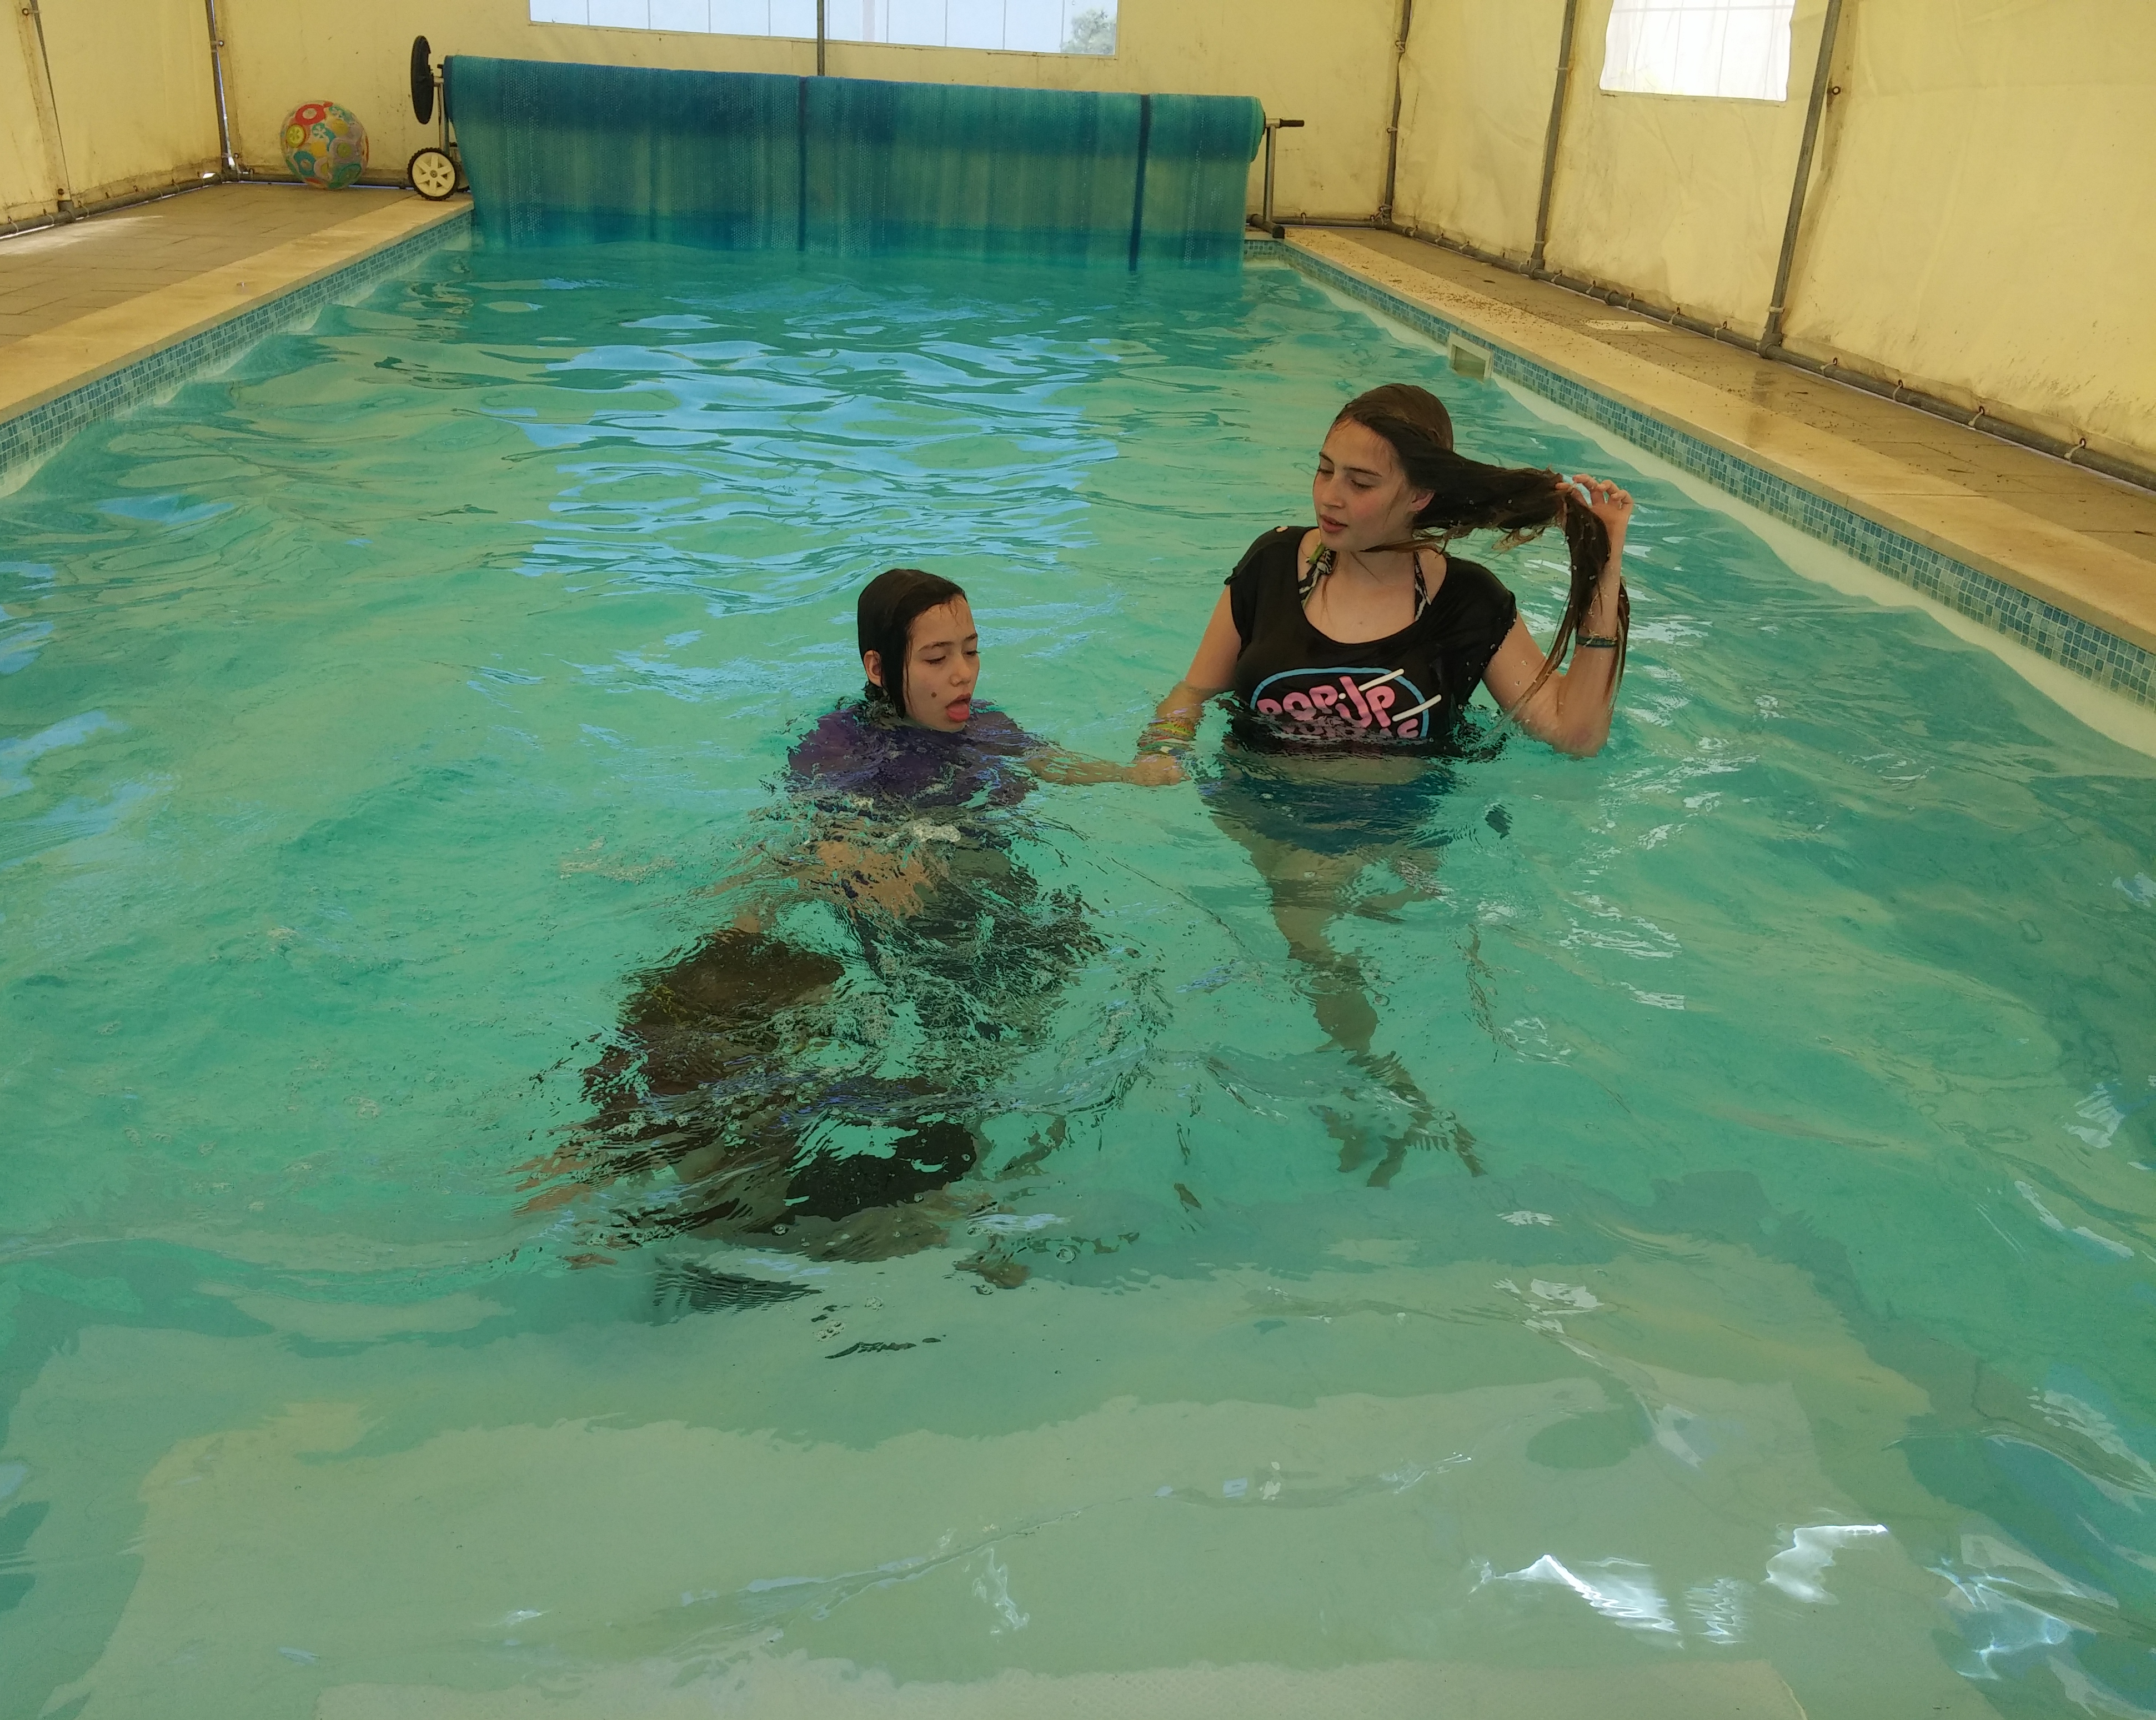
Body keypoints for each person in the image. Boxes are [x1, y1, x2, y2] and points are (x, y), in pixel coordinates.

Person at [522, 568, 1157, 1265]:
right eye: (936, 658)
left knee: (990, 1062)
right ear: (878, 668)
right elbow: (812, 834)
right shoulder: (839, 746)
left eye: (971, 651)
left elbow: (1048, 761)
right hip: (901, 923)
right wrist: (865, 859)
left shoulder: (987, 728)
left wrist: (1131, 774)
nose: (962, 675)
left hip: (987, 907)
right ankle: (615, 1164)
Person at [1130, 384, 1637, 1183]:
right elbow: (1193, 690)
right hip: (1264, 800)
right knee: (1311, 920)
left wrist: (1604, 571)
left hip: (1407, 813)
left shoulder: (1467, 601)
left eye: (1360, 482)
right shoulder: (1272, 564)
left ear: (1420, 495)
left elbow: (1574, 734)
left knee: (1366, 931)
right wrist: (1162, 748)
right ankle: (1375, 1075)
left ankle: (1385, 1077)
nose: (1330, 496)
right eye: (1324, 470)